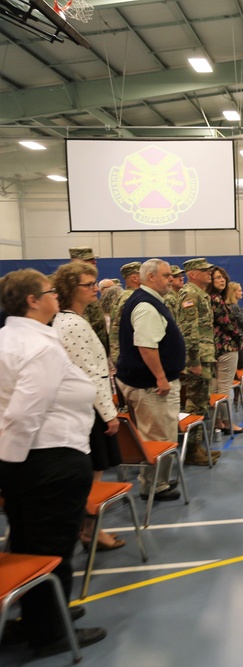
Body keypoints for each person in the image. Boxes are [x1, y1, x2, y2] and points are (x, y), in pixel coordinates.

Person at [0, 268, 108, 656]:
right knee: (53, 548)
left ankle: (39, 616)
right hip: (49, 459)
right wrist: (16, 466)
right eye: (50, 292)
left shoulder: (8, 338)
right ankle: (50, 634)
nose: (56, 297)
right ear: (32, 300)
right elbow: (25, 413)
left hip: (28, 461)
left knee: (30, 542)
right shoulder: (40, 347)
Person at [51, 262, 125, 551]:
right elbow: (90, 373)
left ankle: (88, 529)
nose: (95, 289)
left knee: (92, 475)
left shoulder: (71, 320)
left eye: (95, 283)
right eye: (88, 285)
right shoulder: (71, 324)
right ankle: (91, 532)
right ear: (71, 290)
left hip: (89, 406)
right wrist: (110, 414)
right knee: (93, 477)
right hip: (91, 409)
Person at [116, 259, 187, 500]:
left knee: (157, 433)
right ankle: (155, 486)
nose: (171, 279)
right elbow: (146, 346)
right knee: (158, 436)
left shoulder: (147, 301)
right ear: (151, 277)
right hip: (151, 386)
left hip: (146, 383)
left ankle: (158, 480)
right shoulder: (146, 305)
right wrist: (160, 377)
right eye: (166, 275)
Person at [176, 258, 221, 465]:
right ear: (192, 274)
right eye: (204, 271)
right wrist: (193, 360)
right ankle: (192, 451)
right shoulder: (190, 294)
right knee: (194, 404)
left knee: (201, 403)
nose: (209, 273)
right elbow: (189, 330)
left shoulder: (201, 293)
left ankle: (197, 448)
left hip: (205, 355)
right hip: (198, 359)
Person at [207, 266, 243, 434]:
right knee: (223, 388)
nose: (222, 280)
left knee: (215, 388)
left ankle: (218, 422)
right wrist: (239, 338)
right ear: (211, 281)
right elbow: (226, 323)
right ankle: (228, 423)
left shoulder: (213, 298)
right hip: (226, 347)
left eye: (223, 277)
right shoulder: (215, 300)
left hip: (215, 348)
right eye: (217, 278)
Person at [68, 246, 110, 355]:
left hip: (98, 347)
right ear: (74, 263)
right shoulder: (71, 288)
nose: (93, 264)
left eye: (93, 261)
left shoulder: (91, 284)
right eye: (87, 261)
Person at [108, 261, 142, 366]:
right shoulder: (133, 298)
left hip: (121, 353)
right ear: (135, 278)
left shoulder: (122, 296)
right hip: (130, 355)